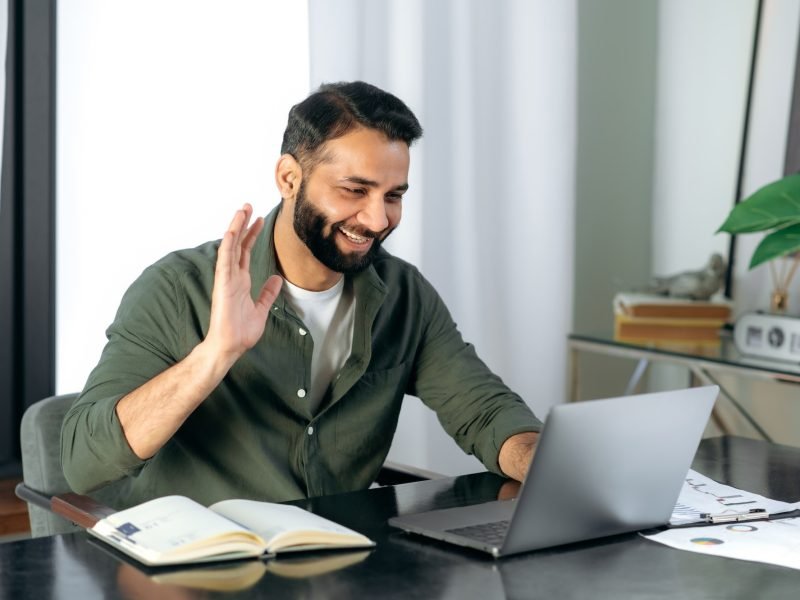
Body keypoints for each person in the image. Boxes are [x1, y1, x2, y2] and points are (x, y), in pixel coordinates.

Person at [61, 81, 542, 508]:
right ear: (289, 178)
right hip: (196, 571)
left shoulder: (403, 294)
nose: (378, 221)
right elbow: (84, 464)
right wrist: (215, 355)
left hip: (340, 566)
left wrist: (544, 464)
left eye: (393, 196)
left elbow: (483, 411)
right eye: (355, 190)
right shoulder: (176, 288)